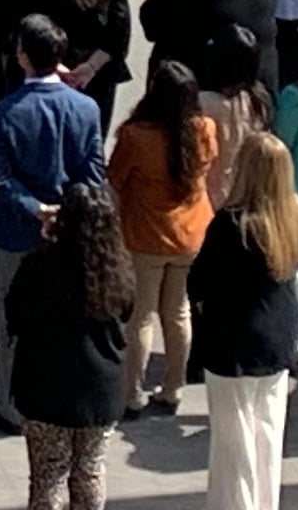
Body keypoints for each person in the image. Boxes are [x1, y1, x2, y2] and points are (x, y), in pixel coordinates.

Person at [188, 130, 298, 510]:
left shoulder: (230, 224)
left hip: (234, 340)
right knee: (268, 430)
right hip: (278, 336)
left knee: (232, 438)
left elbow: (200, 281)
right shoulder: (295, 214)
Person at [2, 178, 131, 510]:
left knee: (48, 477)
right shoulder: (118, 269)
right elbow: (128, 311)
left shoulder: (38, 266)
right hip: (101, 388)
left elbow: (14, 317)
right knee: (89, 471)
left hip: (46, 389)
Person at [108, 57, 215, 417]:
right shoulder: (204, 129)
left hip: (147, 235)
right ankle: (173, 388)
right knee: (178, 312)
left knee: (141, 316)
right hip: (192, 234)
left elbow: (115, 180)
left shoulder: (136, 136)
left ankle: (132, 393)